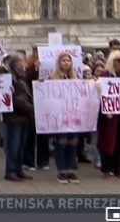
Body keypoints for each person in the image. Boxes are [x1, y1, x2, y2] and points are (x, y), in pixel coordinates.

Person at [97, 50, 120, 179]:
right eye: (118, 60)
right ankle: (108, 168)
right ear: (112, 61)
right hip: (110, 116)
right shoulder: (105, 76)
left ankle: (118, 168)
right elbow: (99, 93)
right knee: (109, 142)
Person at [50, 52, 80, 184]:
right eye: (64, 60)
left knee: (73, 142)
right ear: (59, 63)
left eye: (68, 60)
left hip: (73, 115)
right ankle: (61, 170)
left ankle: (70, 169)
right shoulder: (53, 78)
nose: (66, 63)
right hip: (60, 115)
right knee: (61, 142)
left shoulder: (75, 78)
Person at [3, 53, 35, 182]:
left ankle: (18, 169)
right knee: (14, 145)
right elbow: (18, 99)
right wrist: (32, 109)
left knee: (21, 145)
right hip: (14, 117)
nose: (25, 63)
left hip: (23, 117)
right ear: (16, 64)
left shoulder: (20, 78)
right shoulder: (11, 78)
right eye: (22, 61)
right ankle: (10, 171)